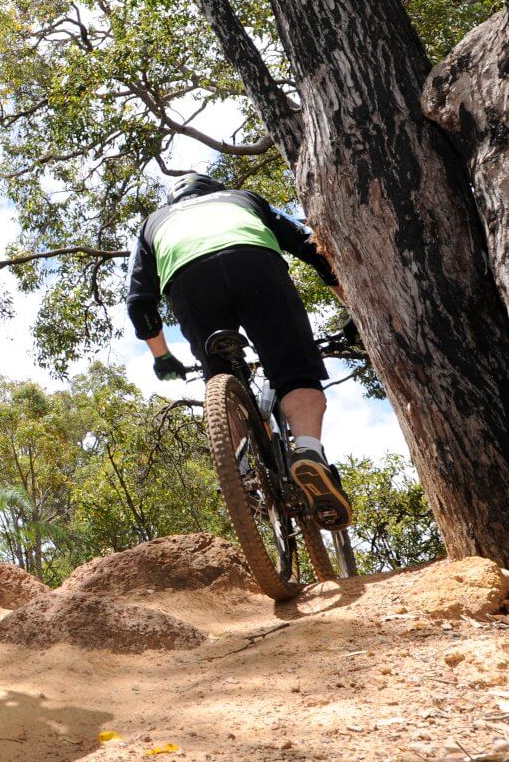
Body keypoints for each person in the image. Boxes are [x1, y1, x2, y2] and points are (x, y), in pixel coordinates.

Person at [125, 172, 355, 530]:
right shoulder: (244, 198)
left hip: (190, 283)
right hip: (255, 266)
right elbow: (314, 248)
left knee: (222, 377)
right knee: (296, 373)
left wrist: (162, 358)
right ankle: (308, 450)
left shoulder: (153, 223)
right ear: (216, 191)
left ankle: (245, 476)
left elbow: (140, 303)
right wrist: (354, 310)